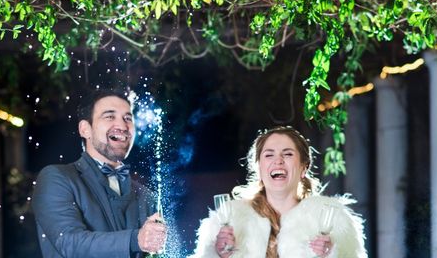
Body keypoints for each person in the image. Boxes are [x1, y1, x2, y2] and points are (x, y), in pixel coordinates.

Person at [189, 126, 367, 258]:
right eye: (269, 155)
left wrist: (330, 255)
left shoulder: (332, 221)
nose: (278, 161)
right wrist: (218, 254)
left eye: (288, 154)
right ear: (259, 168)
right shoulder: (229, 219)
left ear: (304, 168)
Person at [32, 89, 167, 258]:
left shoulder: (147, 197)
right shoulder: (57, 178)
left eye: (127, 118)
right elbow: (70, 243)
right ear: (84, 129)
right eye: (109, 116)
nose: (122, 125)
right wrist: (135, 239)